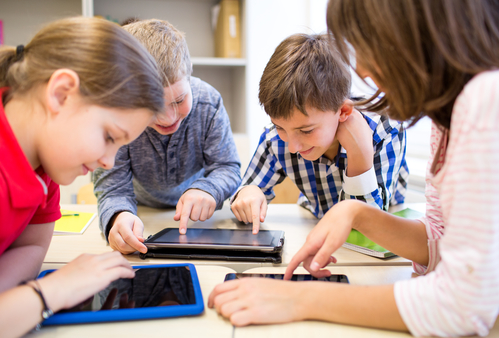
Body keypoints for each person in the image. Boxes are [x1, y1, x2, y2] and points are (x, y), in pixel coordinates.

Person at [209, 0, 499, 336]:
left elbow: (463, 305)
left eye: (365, 43)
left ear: (413, 32)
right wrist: (357, 213)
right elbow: (439, 240)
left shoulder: (484, 98)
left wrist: (302, 298)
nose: (359, 68)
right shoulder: (447, 118)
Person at [0, 17, 165, 337]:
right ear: (61, 93)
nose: (109, 161)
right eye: (108, 137)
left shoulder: (44, 163)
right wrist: (52, 291)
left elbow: (32, 247)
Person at [231, 33, 408, 233]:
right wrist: (249, 193)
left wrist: (360, 153)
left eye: (306, 130)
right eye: (280, 127)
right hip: (317, 222)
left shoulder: (385, 129)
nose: (293, 146)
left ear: (343, 111)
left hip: (384, 236)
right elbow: (244, 192)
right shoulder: (276, 140)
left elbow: (367, 225)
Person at [93, 19, 241, 255]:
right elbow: (113, 189)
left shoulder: (209, 102)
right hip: (141, 213)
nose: (168, 118)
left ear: (189, 70)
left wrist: (208, 189)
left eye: (179, 100)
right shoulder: (118, 114)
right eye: (152, 107)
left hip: (200, 219)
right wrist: (118, 217)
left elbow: (228, 167)